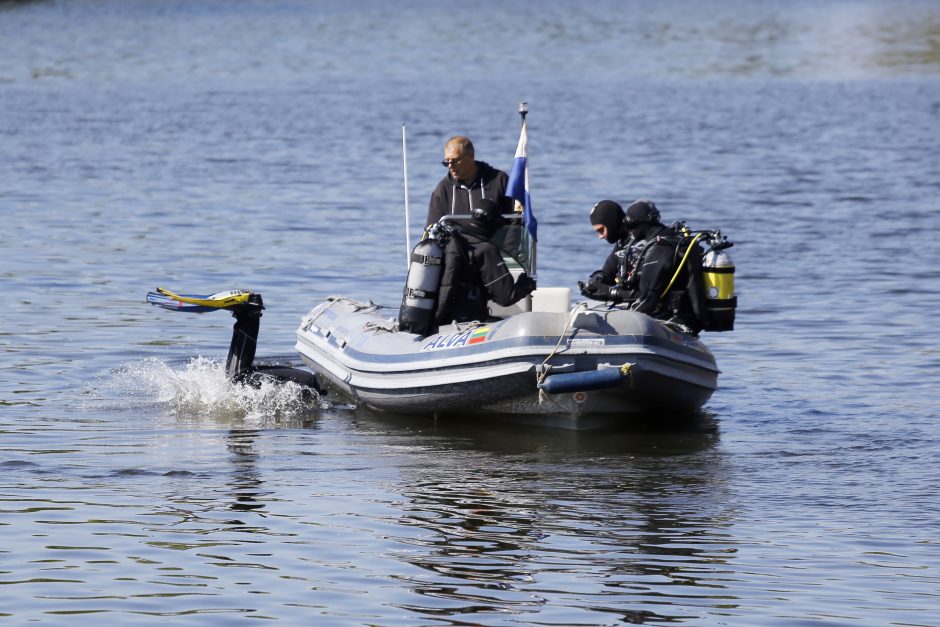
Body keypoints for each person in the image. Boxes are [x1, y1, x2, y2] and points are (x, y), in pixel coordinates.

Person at [580, 199, 709, 333]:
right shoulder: (627, 244)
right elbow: (608, 269)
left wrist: (609, 293)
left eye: (601, 230)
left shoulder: (660, 247)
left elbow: (646, 299)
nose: (600, 236)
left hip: (676, 321)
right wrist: (596, 282)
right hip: (655, 314)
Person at [437, 199, 536, 324]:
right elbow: (506, 297)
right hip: (467, 322)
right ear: (494, 224)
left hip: (441, 320)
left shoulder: (452, 242)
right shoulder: (485, 250)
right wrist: (526, 284)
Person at [426, 136, 514, 228]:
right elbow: (432, 228)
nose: (450, 166)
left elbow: (516, 219)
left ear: (471, 157)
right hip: (455, 241)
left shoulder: (500, 181)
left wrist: (508, 242)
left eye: (455, 161)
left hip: (493, 241)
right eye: (447, 162)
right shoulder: (443, 189)